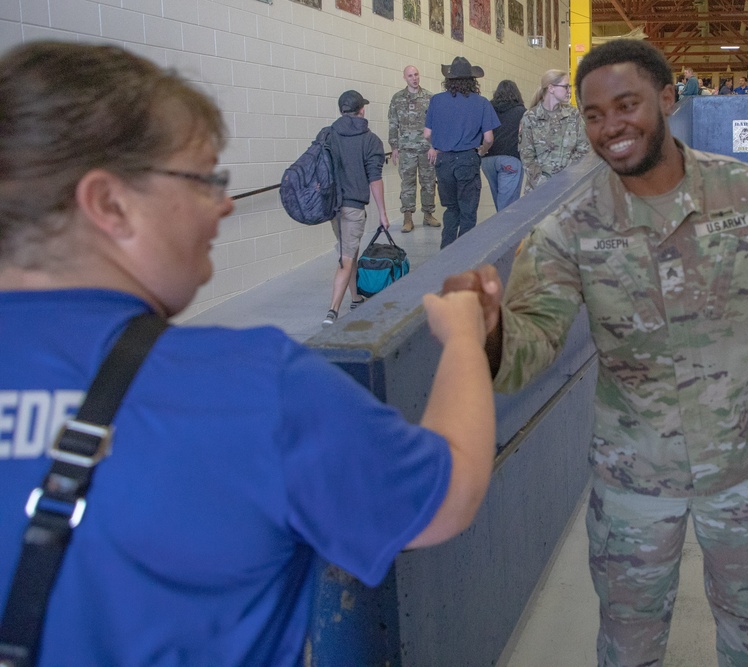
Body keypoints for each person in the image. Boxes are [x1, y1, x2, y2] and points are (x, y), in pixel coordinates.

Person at [0, 41, 496, 667]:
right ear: (109, 204)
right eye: (205, 179)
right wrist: (462, 339)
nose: (225, 204)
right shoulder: (250, 387)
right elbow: (446, 496)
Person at [442, 38, 748, 667]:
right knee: (628, 643)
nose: (610, 127)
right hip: (633, 481)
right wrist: (486, 327)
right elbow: (526, 350)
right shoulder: (569, 230)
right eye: (593, 115)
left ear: (669, 98)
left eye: (626, 104)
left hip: (745, 467)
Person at [322, 90, 391, 325]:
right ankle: (332, 312)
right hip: (353, 207)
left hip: (332, 207)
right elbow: (375, 179)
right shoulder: (370, 140)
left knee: (350, 252)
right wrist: (382, 212)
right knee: (346, 257)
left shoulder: (328, 134)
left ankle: (355, 298)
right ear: (362, 110)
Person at [423, 56, 499, 249]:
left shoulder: (436, 100)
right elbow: (489, 138)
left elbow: (427, 134)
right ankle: (464, 256)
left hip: (443, 161)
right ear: (472, 80)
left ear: (448, 79)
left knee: (451, 209)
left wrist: (439, 145)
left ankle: (446, 251)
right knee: (468, 211)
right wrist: (482, 150)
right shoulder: (481, 103)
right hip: (467, 159)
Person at [518, 69, 590, 193]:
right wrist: (544, 184)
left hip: (568, 188)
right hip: (538, 190)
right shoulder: (530, 117)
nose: (569, 91)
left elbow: (584, 149)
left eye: (570, 87)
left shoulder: (573, 116)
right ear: (551, 88)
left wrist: (567, 178)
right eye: (566, 87)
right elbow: (527, 156)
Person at [388, 65, 440, 233]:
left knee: (428, 183)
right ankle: (408, 217)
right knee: (407, 184)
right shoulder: (397, 99)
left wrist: (435, 146)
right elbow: (393, 124)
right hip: (406, 150)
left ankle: (428, 214)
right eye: (410, 76)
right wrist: (394, 147)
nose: (414, 78)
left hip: (427, 149)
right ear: (405, 78)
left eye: (416, 74)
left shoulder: (430, 98)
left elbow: (436, 125)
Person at [481, 80, 527, 211]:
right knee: (508, 205)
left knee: (499, 199)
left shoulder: (488, 109)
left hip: (487, 159)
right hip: (510, 159)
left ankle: (500, 226)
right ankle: (505, 229)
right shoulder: (521, 111)